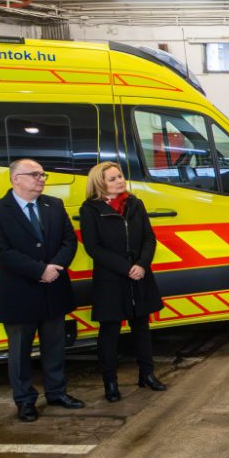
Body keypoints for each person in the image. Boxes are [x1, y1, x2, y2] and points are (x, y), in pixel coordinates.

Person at [0, 159, 83, 422]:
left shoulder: (54, 205)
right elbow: (2, 252)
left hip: (54, 289)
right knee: (20, 351)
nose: (41, 179)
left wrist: (55, 267)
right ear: (15, 179)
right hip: (20, 292)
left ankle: (57, 392)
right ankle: (25, 400)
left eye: (42, 174)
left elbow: (69, 240)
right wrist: (40, 271)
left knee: (55, 346)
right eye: (34, 174)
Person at [79, 162, 166, 402]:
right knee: (109, 332)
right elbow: (93, 247)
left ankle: (147, 375)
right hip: (111, 278)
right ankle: (110, 383)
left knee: (142, 328)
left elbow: (149, 238)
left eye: (120, 176)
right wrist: (126, 268)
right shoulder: (90, 210)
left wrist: (141, 265)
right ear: (100, 183)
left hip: (139, 275)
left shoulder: (135, 204)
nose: (120, 181)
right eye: (113, 178)